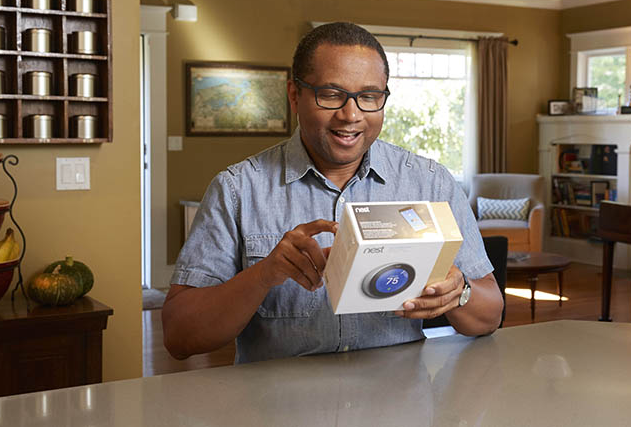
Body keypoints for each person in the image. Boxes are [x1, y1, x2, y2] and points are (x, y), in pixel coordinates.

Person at [163, 22, 503, 364]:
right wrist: (263, 275)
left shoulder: (431, 184)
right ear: (295, 96)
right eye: (330, 94)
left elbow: (490, 315)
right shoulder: (236, 189)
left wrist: (460, 293)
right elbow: (179, 336)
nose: (350, 115)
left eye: (369, 96)